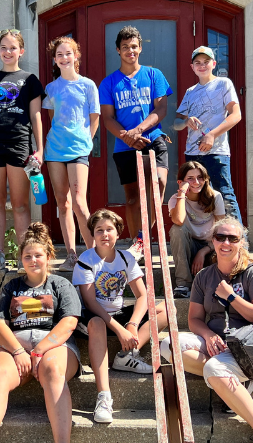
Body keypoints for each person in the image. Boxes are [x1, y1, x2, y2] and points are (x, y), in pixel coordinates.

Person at [160, 217, 253, 443]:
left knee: (213, 369)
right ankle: (237, 380)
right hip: (222, 343)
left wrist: (230, 297)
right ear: (212, 241)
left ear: (242, 242)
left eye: (233, 238)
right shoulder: (205, 276)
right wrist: (208, 335)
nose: (226, 242)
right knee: (168, 345)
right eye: (220, 237)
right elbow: (195, 319)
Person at [0, 223, 81, 443]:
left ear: (49, 257)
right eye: (27, 256)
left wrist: (41, 349)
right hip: (15, 347)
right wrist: (19, 350)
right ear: (21, 259)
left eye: (38, 255)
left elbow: (69, 322)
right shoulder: (11, 287)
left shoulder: (60, 284)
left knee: (54, 370)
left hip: (54, 346)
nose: (33, 260)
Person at [73, 209, 166, 424]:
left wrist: (132, 324)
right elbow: (90, 302)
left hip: (119, 313)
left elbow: (143, 295)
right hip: (94, 317)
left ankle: (126, 356)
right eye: (99, 230)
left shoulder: (126, 258)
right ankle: (104, 396)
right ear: (92, 235)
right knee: (96, 322)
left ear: (118, 233)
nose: (105, 234)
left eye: (109, 229)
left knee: (163, 310)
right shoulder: (86, 260)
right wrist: (120, 329)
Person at [0, 29, 46, 271]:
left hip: (19, 144)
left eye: (13, 47)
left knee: (20, 204)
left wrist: (40, 149)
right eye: (3, 47)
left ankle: (24, 257)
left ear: (21, 51)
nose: (8, 52)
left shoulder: (30, 80)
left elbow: (36, 116)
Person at [99, 25, 173, 258]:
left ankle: (148, 235)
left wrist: (138, 130)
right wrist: (128, 137)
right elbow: (108, 118)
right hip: (124, 145)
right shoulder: (109, 83)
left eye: (134, 46)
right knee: (132, 196)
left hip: (153, 137)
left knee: (159, 182)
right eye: (125, 47)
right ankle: (137, 242)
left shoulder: (154, 74)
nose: (130, 51)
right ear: (118, 51)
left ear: (140, 48)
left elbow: (161, 108)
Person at [43, 36, 100, 271]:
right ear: (55, 60)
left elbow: (94, 117)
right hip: (55, 150)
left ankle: (94, 254)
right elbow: (50, 118)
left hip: (78, 150)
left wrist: (87, 139)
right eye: (59, 55)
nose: (64, 58)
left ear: (76, 56)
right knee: (62, 202)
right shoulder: (51, 88)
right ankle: (71, 255)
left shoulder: (88, 85)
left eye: (68, 53)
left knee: (79, 202)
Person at [174, 46, 242, 222]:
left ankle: (239, 242)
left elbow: (236, 115)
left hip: (216, 152)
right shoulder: (190, 92)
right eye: (198, 62)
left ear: (213, 64)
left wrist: (211, 135)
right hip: (193, 153)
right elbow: (176, 123)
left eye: (206, 62)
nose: (202, 66)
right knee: (197, 198)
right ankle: (207, 241)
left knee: (224, 195)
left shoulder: (223, 84)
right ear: (192, 67)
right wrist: (186, 121)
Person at [168, 161, 225, 299]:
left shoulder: (215, 197)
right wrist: (182, 193)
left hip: (211, 248)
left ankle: (219, 286)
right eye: (190, 178)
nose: (196, 182)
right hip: (188, 248)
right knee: (177, 229)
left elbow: (221, 231)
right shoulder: (175, 200)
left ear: (205, 179)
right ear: (180, 181)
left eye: (200, 177)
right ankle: (183, 284)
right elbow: (179, 221)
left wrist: (204, 251)